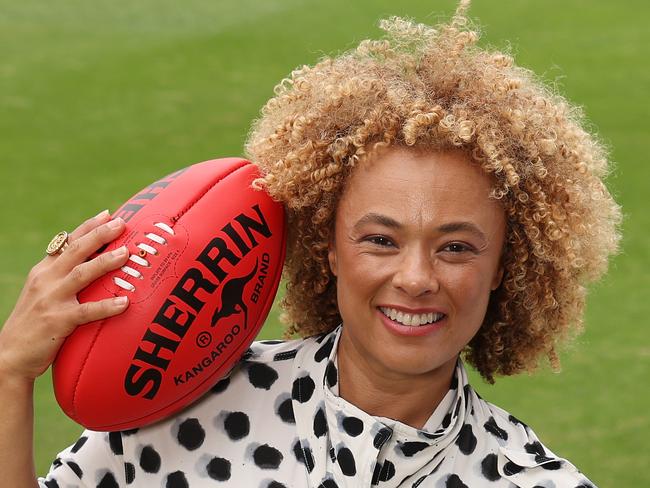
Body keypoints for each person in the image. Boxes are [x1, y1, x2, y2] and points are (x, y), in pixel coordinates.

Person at [0, 2, 620, 487]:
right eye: (380, 239)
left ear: (502, 268)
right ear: (327, 248)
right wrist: (9, 375)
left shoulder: (534, 481)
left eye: (456, 248)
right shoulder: (185, 398)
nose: (415, 277)